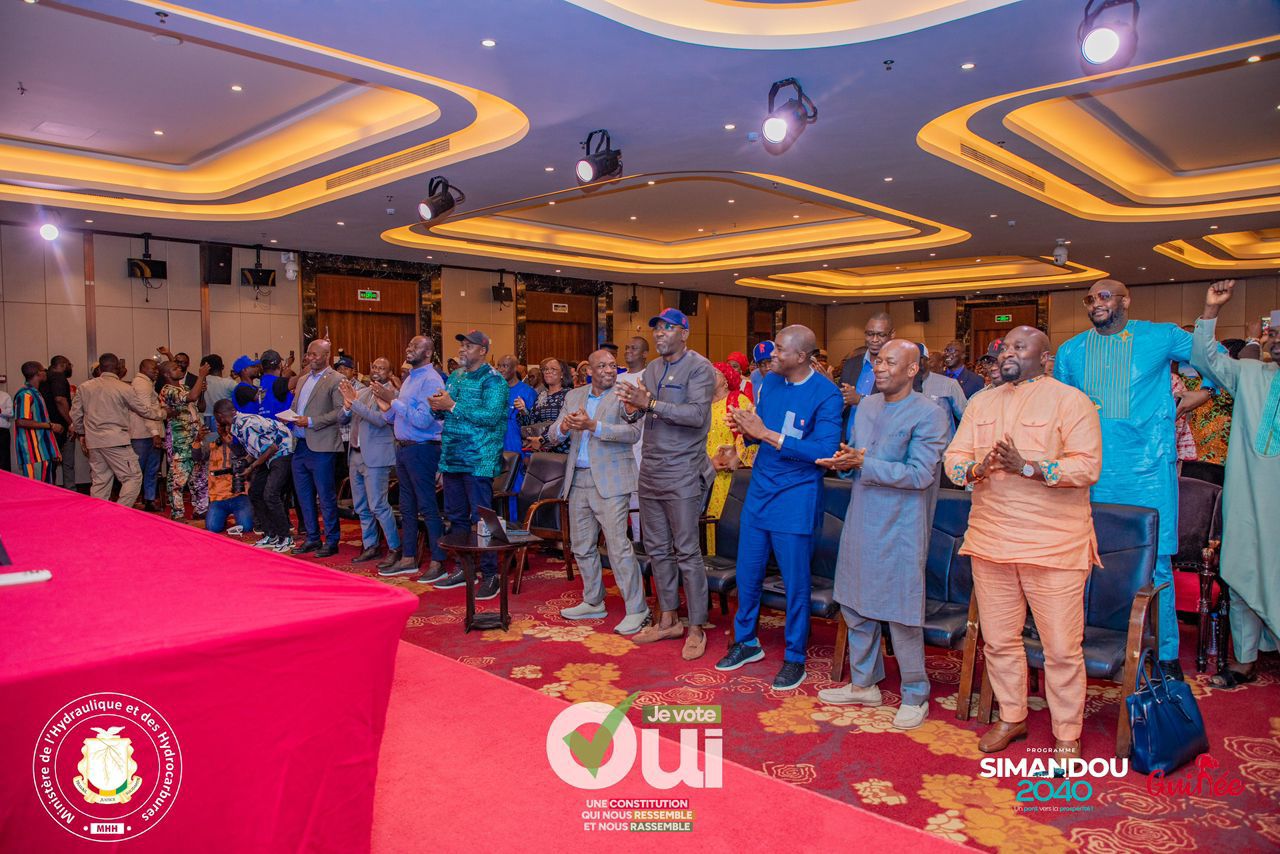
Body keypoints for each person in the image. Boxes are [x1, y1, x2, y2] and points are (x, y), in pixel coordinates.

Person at [944, 326, 1101, 760]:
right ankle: (1012, 716)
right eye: (1004, 347)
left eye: (1019, 346)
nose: (1006, 353)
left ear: (1045, 358)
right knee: (998, 641)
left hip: (1053, 546)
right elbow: (954, 458)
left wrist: (1028, 467)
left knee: (1061, 648)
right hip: (990, 539)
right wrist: (975, 469)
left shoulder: (1071, 401)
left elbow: (1087, 467)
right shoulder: (981, 402)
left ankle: (1067, 732)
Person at [1054, 279, 1195, 678]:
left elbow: (1213, 360)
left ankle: (1165, 655)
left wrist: (1198, 396)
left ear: (1125, 300)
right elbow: (1060, 410)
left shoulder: (1161, 336)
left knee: (1157, 565)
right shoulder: (1071, 350)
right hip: (1092, 472)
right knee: (1087, 560)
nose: (1095, 304)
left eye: (1104, 296)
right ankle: (1098, 643)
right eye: (1089, 298)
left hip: (1148, 471)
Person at [816, 338, 950, 727]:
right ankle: (864, 684)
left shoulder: (930, 414)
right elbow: (858, 457)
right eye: (877, 361)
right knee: (854, 603)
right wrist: (844, 463)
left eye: (890, 362)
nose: (879, 367)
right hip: (862, 517)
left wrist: (864, 462)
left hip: (901, 526)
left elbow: (921, 475)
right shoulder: (867, 406)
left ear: (912, 369)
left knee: (901, 612)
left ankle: (915, 694)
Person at [713, 325, 842, 688]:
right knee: (748, 574)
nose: (772, 355)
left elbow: (825, 451)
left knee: (795, 582)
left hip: (796, 497)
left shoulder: (826, 394)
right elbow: (760, 434)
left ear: (801, 356)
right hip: (760, 490)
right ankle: (746, 642)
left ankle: (795, 656)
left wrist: (765, 434)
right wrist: (744, 433)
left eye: (780, 350)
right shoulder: (769, 383)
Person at [617, 307, 717, 660]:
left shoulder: (700, 368)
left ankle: (697, 626)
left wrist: (651, 403)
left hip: (683, 470)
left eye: (668, 328)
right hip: (651, 470)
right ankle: (669, 619)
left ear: (684, 333)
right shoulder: (653, 369)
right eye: (656, 328)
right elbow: (641, 413)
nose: (660, 334)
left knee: (687, 551)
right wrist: (632, 407)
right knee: (657, 549)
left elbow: (697, 415)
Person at [1194, 280, 1280, 687]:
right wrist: (1211, 310)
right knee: (1242, 570)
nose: (1274, 340)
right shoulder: (1251, 375)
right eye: (1272, 334)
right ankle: (1245, 660)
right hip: (1247, 497)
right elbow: (1206, 359)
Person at [545, 348, 649, 634]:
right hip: (578, 478)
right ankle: (593, 600)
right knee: (581, 545)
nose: (608, 370)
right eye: (601, 366)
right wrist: (564, 426)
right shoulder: (573, 396)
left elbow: (633, 434)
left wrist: (595, 426)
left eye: (612, 365)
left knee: (618, 546)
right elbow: (553, 435)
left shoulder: (625, 394)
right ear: (588, 371)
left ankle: (637, 609)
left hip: (611, 481)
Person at [430, 330, 510, 599]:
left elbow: (490, 416)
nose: (462, 349)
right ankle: (464, 569)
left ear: (483, 351)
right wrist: (436, 405)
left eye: (468, 346)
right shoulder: (456, 376)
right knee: (456, 517)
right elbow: (446, 411)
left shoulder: (494, 380)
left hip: (479, 458)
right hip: (453, 456)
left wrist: (452, 405)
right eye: (462, 345)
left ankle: (490, 574)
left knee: (482, 520)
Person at [374, 335, 448, 579]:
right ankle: (408, 558)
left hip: (423, 449)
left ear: (428, 353)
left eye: (415, 346)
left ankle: (438, 561)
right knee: (407, 506)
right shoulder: (410, 379)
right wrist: (386, 408)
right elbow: (401, 415)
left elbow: (423, 420)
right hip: (405, 448)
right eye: (408, 345)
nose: (409, 348)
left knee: (427, 505)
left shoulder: (431, 379)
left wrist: (392, 400)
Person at [71, 353, 163, 506]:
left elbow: (75, 415)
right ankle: (119, 511)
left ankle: (100, 515)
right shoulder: (123, 388)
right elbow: (143, 410)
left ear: (100, 368)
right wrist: (163, 413)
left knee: (100, 482)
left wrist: (82, 434)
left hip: (94, 442)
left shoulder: (84, 387)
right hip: (117, 441)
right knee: (133, 477)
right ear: (118, 368)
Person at [339, 358, 401, 565]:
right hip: (355, 455)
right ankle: (371, 546)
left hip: (376, 457)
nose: (376, 371)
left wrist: (354, 403)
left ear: (390, 373)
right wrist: (347, 406)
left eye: (382, 368)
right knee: (361, 507)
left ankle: (394, 547)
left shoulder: (392, 394)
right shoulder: (363, 392)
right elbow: (343, 418)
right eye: (374, 367)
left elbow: (380, 420)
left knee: (378, 505)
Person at [288, 339, 346, 558]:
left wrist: (311, 421)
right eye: (308, 354)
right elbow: (296, 407)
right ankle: (312, 537)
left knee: (325, 496)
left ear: (327, 356)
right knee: (303, 496)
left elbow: (340, 413)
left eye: (315, 354)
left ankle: (331, 540)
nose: (310, 358)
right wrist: (289, 417)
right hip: (300, 444)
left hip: (322, 446)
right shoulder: (303, 379)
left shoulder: (336, 379)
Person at [214, 399, 295, 552]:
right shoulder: (236, 426)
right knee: (255, 492)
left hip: (282, 452)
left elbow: (271, 448)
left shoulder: (245, 425)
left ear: (219, 416)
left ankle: (286, 537)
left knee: (271, 494)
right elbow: (256, 450)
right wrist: (245, 462)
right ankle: (271, 534)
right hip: (269, 455)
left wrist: (251, 468)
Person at [704, 361, 754, 555]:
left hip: (731, 477)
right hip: (706, 474)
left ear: (725, 380)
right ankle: (712, 562)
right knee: (709, 521)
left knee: (732, 523)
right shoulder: (701, 405)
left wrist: (737, 456)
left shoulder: (737, 400)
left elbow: (752, 434)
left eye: (714, 373)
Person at [160, 359, 211, 520]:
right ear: (167, 374)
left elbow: (200, 406)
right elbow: (191, 397)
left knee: (199, 476)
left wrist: (202, 392)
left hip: (196, 438)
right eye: (175, 368)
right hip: (179, 441)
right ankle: (178, 513)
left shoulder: (185, 388)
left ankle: (201, 509)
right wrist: (201, 376)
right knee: (178, 479)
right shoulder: (167, 390)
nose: (180, 369)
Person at [839, 313, 894, 444]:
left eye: (881, 335)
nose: (874, 339)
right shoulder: (851, 364)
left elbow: (901, 406)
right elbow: (840, 402)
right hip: (846, 442)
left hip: (880, 444)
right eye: (870, 334)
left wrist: (860, 400)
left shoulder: (898, 367)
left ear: (892, 334)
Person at [13, 361, 61, 482]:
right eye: (44, 370)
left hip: (42, 450)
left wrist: (53, 449)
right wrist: (50, 425)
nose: (46, 373)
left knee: (46, 487)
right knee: (35, 488)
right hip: (33, 453)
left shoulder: (36, 393)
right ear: (38, 373)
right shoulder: (25, 395)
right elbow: (21, 421)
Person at [203, 420, 253, 536]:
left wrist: (228, 440)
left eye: (226, 426)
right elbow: (197, 457)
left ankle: (250, 510)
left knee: (247, 527)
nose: (224, 429)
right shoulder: (211, 440)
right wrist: (197, 440)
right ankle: (222, 516)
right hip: (218, 497)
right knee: (212, 528)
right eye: (220, 426)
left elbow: (244, 455)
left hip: (240, 495)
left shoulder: (242, 440)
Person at [128, 359, 166, 512]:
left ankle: (149, 500)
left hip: (148, 434)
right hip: (143, 435)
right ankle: (135, 500)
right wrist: (155, 434)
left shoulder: (147, 383)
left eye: (157, 369)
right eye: (153, 368)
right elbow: (145, 411)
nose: (156, 371)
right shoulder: (142, 384)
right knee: (138, 471)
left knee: (152, 469)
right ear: (142, 368)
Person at [916, 344, 968, 437]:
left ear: (926, 360)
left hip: (941, 444)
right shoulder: (901, 386)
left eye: (917, 358)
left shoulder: (948, 384)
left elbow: (966, 418)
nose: (913, 363)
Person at [520, 357, 570, 452]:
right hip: (539, 449)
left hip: (561, 450)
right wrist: (523, 409)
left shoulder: (569, 394)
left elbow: (568, 425)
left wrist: (543, 439)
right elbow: (532, 423)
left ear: (562, 374)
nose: (548, 372)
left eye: (553, 369)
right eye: (546, 369)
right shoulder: (541, 395)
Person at [41, 355, 75, 488]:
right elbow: (60, 400)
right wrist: (70, 422)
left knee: (50, 464)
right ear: (63, 365)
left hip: (47, 426)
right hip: (59, 427)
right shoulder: (59, 377)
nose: (70, 368)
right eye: (69, 365)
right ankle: (69, 492)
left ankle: (50, 490)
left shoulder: (44, 378)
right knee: (66, 463)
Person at [498, 354, 537, 455]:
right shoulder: (495, 390)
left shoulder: (528, 392)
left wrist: (523, 410)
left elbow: (533, 423)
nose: (500, 369)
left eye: (505, 366)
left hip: (517, 446)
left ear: (515, 368)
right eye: (499, 366)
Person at [199, 354, 236, 431]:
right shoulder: (229, 383)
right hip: (222, 419)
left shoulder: (200, 382)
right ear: (222, 367)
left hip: (204, 419)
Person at [749, 340, 776, 405]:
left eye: (770, 361)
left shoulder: (788, 377)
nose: (768, 367)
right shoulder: (755, 376)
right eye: (762, 364)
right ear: (758, 366)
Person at [0, 379, 11, 473]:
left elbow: (11, 413)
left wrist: (1, 411)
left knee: (4, 461)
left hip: (2, 433)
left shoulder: (5, 396)